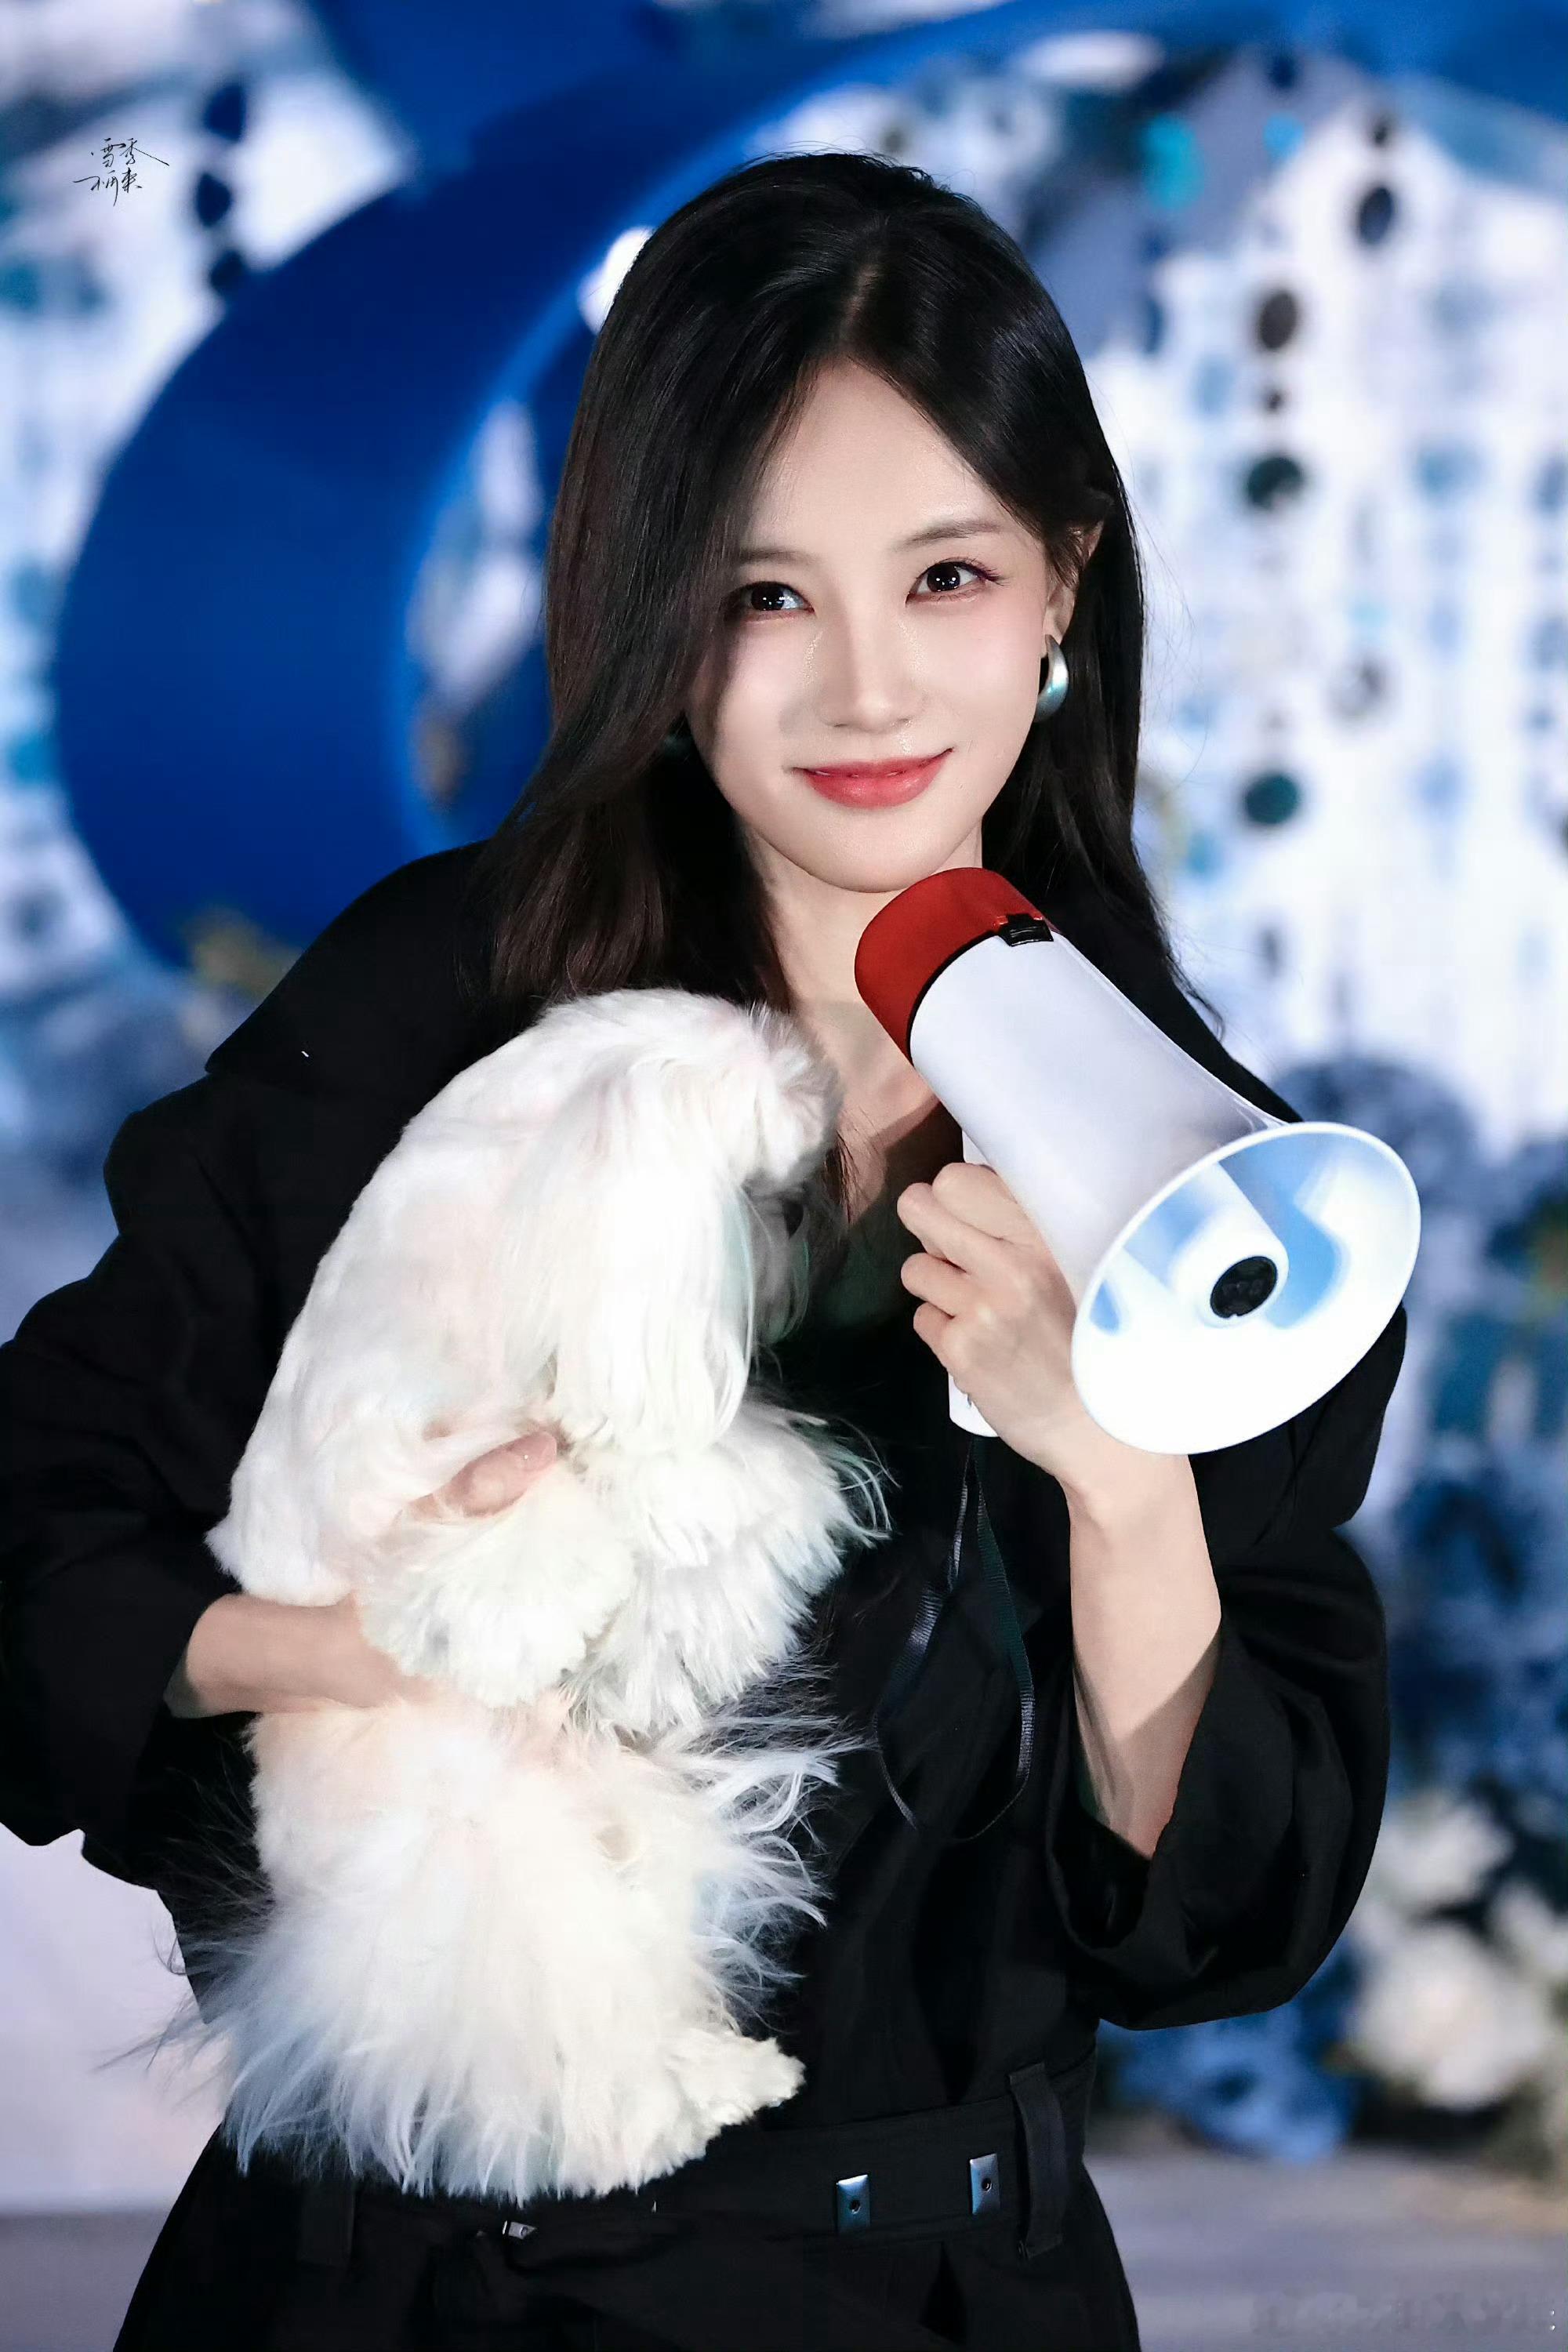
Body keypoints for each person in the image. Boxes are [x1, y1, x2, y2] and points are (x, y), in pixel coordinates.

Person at [0, 151, 1407, 2350]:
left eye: (947, 575)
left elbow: (1215, 1927)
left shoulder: (1217, 1190)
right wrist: (355, 1650)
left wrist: (1122, 1479)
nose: (867, 691)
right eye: (765, 595)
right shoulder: (439, 1008)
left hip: (939, 2292)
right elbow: (36, 1535)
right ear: (652, 614)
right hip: (416, 2292)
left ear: (1065, 584)